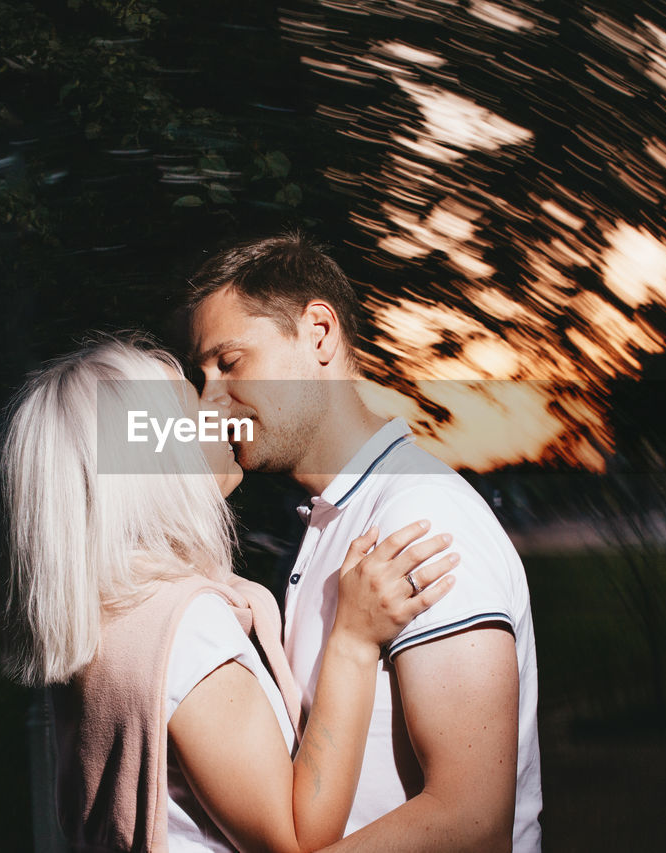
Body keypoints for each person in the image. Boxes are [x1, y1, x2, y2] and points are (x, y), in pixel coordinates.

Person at [0, 335, 458, 852]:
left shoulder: (105, 613)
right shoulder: (184, 633)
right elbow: (299, 839)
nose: (217, 412)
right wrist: (353, 640)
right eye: (194, 410)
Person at [187, 233, 543, 852]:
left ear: (318, 334)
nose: (208, 400)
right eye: (202, 373)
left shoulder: (421, 516)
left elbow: (472, 823)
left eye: (229, 363)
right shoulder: (332, 520)